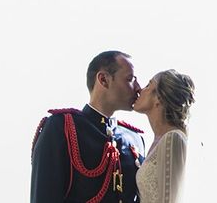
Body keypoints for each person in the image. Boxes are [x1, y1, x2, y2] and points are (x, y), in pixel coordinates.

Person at [31, 50, 146, 203]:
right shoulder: (62, 127)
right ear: (103, 79)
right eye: (130, 79)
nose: (138, 88)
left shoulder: (135, 139)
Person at [132, 70, 195, 203]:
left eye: (148, 85)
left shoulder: (172, 138)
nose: (140, 90)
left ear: (159, 98)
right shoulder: (158, 141)